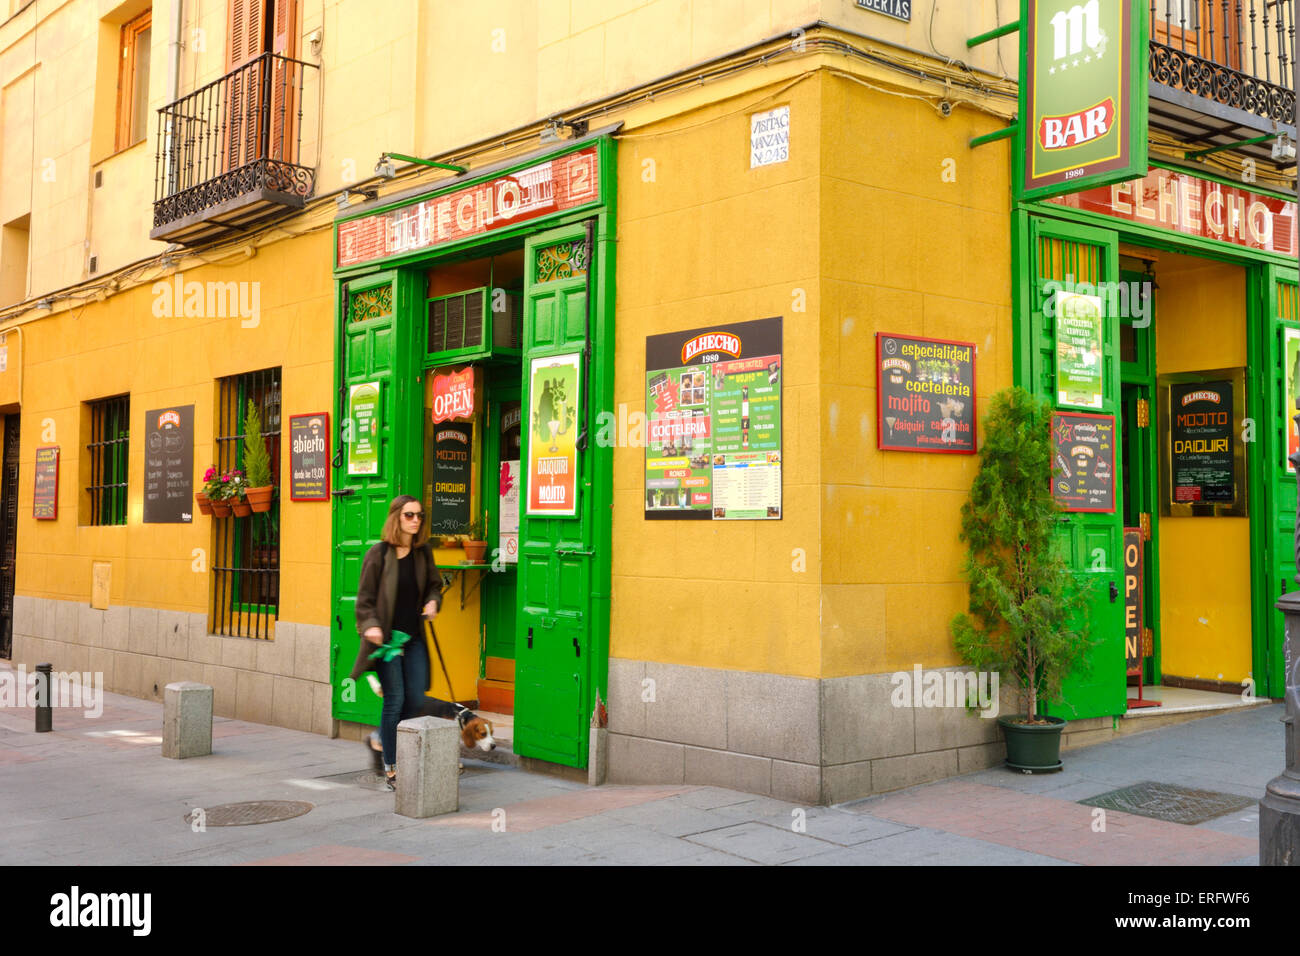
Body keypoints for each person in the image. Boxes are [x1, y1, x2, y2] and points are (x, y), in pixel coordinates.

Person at [350, 494, 442, 790]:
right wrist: (372, 626)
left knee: (416, 698)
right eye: (409, 515)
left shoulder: (422, 553)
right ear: (396, 518)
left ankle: (380, 738)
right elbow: (363, 601)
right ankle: (392, 767)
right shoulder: (378, 554)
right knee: (395, 701)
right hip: (387, 643)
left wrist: (432, 602)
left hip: (413, 637)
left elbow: (434, 585)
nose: (416, 520)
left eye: (420, 516)